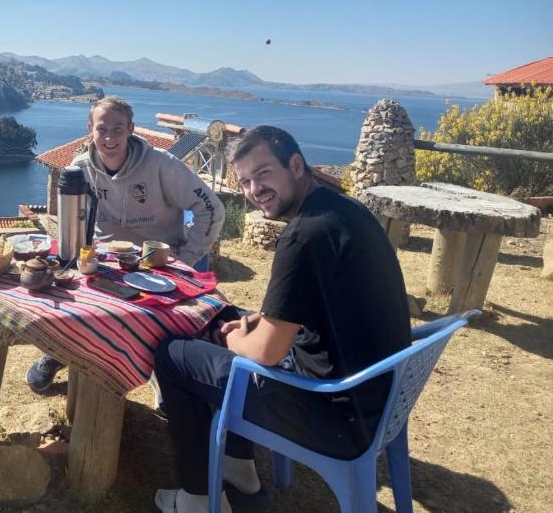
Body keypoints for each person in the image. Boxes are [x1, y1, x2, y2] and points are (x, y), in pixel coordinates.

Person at [153, 126, 410, 513]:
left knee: (173, 355)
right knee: (221, 316)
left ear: (295, 164)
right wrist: (245, 324)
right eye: (244, 181)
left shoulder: (302, 236)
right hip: (377, 395)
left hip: (332, 413)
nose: (255, 189)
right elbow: (318, 301)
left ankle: (198, 499)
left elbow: (267, 353)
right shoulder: (345, 211)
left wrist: (234, 338)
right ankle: (239, 469)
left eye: (263, 173)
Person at [26, 96, 225, 393]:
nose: (109, 137)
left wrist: (186, 257)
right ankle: (59, 352)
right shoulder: (80, 168)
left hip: (161, 264)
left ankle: (169, 376)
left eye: (118, 129)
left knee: (169, 327)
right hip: (107, 263)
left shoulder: (161, 164)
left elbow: (211, 209)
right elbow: (72, 217)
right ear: (90, 128)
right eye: (102, 129)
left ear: (131, 129)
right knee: (76, 304)